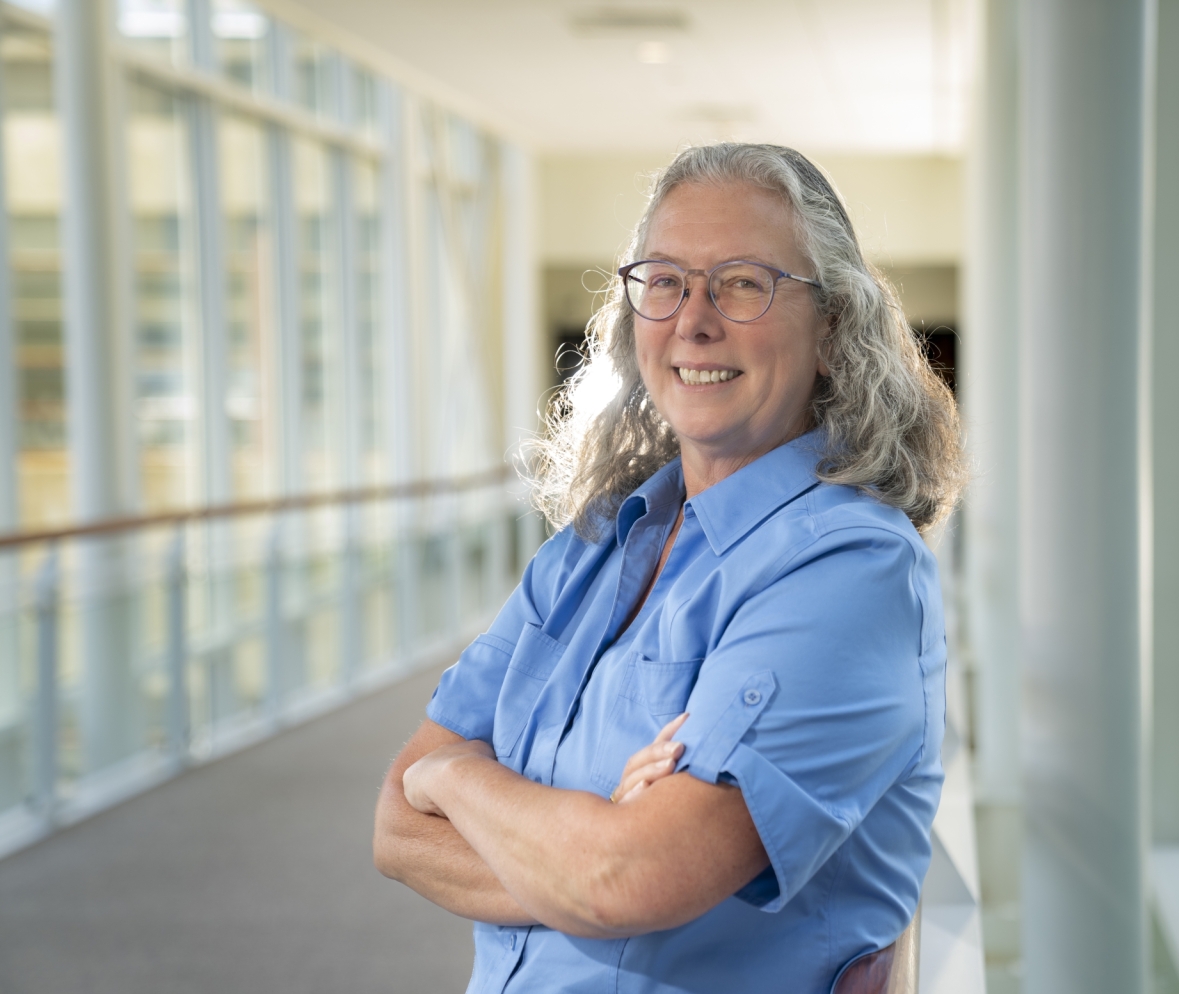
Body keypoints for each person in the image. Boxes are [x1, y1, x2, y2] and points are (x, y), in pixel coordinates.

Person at [372, 142, 965, 994]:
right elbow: (397, 823)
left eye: (743, 282)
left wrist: (457, 777)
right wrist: (582, 850)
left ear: (832, 330)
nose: (694, 319)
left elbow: (629, 878)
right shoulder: (595, 545)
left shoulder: (851, 572)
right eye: (665, 281)